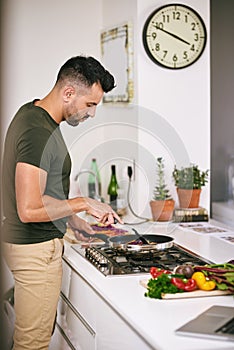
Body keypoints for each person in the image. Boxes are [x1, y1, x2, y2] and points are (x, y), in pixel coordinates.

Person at [2, 55, 123, 350]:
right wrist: (82, 203)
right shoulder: (38, 131)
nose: (91, 114)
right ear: (69, 93)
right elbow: (28, 208)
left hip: (31, 245)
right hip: (35, 250)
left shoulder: (34, 114)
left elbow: (44, 193)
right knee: (33, 344)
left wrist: (71, 220)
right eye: (90, 105)